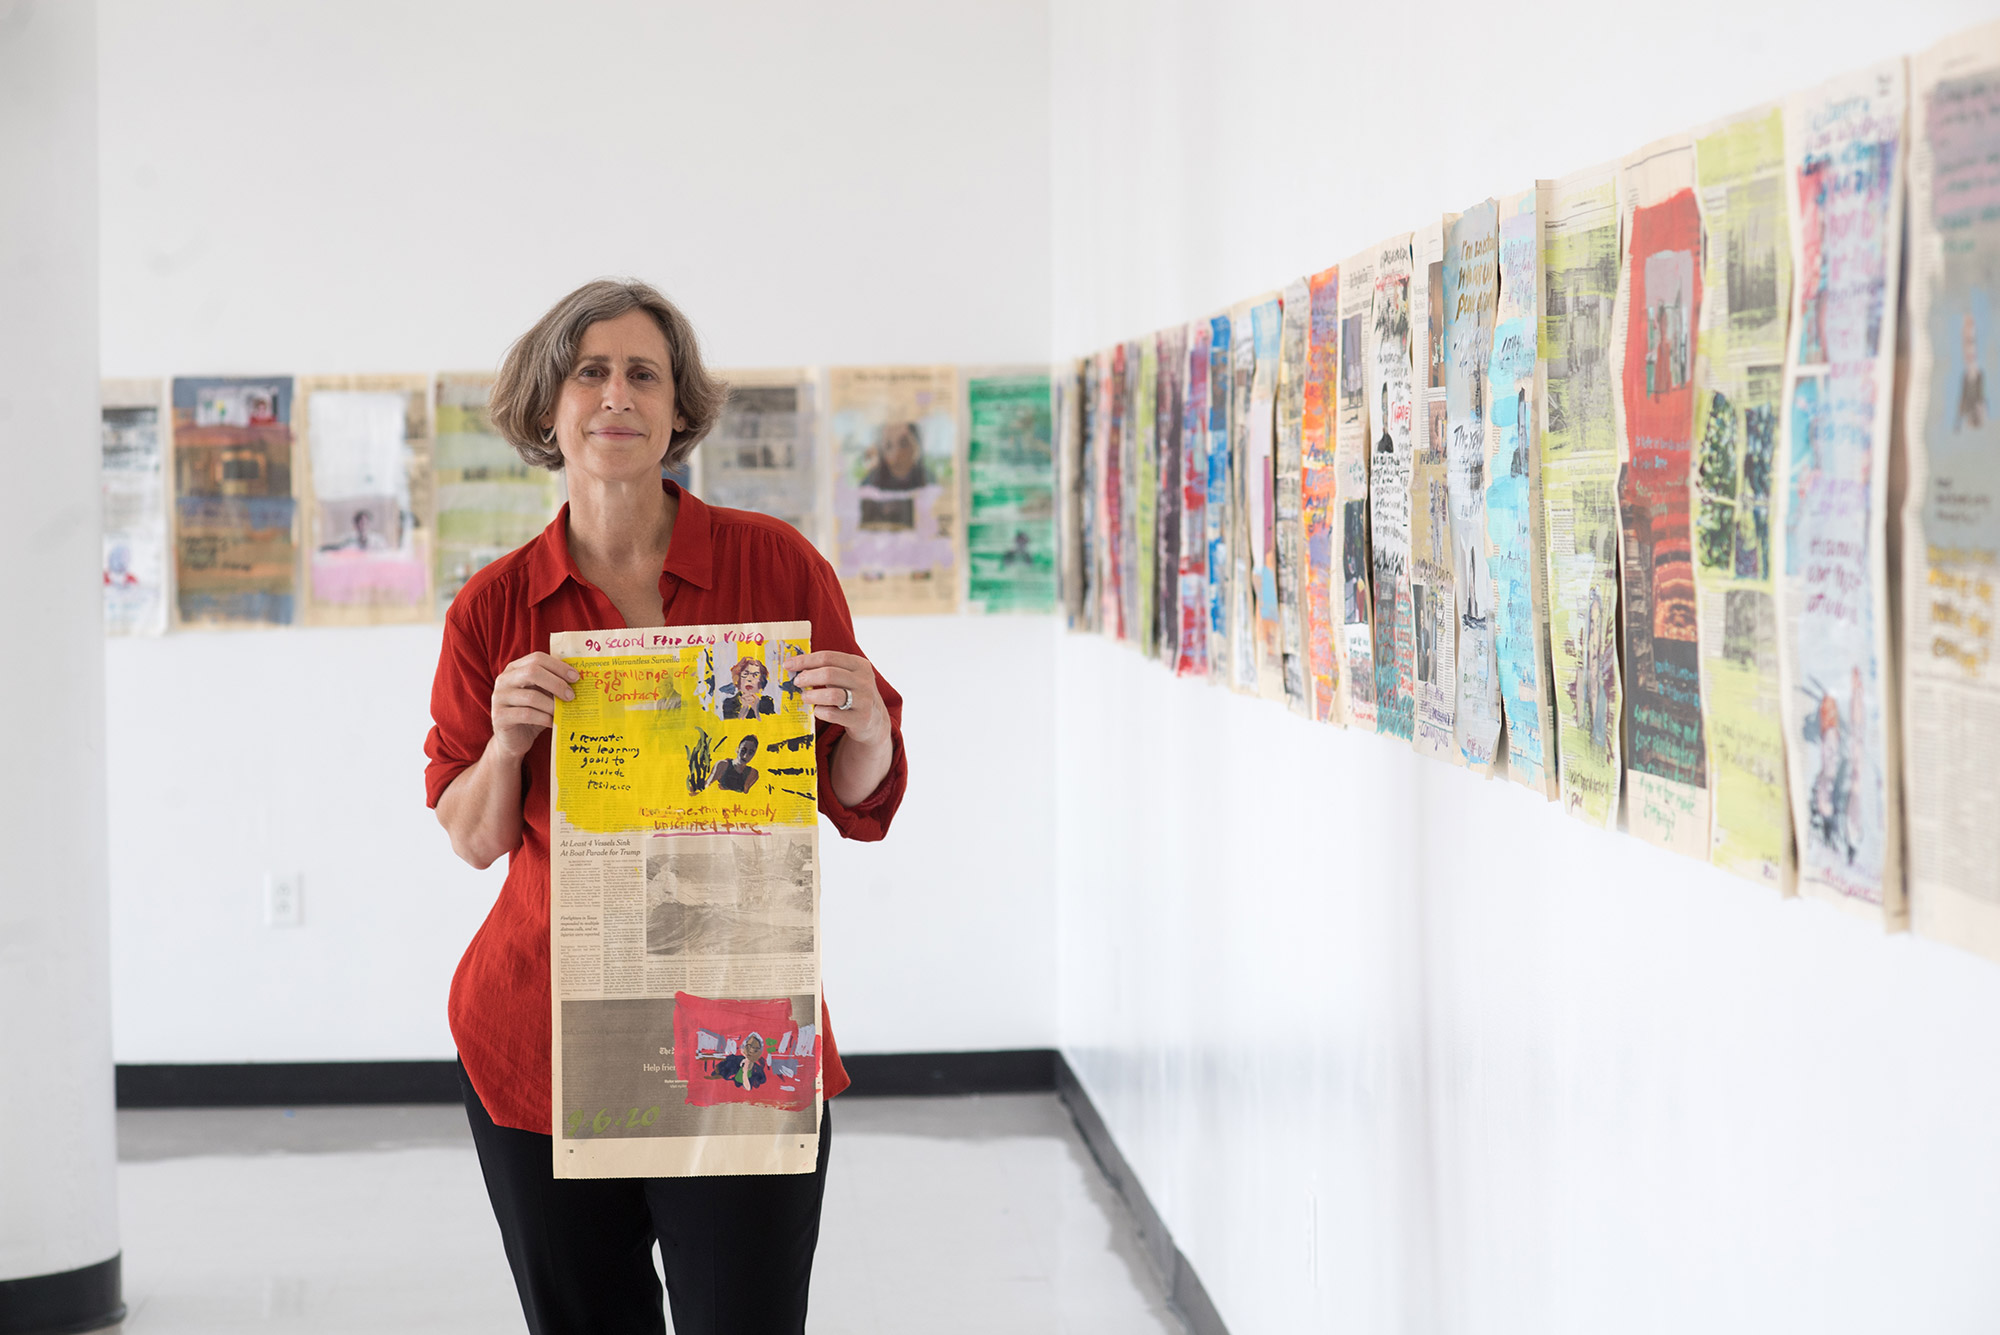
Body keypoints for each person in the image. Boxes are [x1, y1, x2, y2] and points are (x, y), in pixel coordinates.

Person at [425, 279, 907, 1335]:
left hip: (737, 1019)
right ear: (546, 406)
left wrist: (867, 724)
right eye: (588, 371)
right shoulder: (495, 605)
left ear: (679, 406)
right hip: (542, 1032)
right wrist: (506, 744)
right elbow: (471, 836)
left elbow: (856, 798)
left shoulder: (774, 564)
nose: (615, 394)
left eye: (643, 372)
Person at [861, 420, 929, 490]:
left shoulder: (929, 481)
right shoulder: (868, 485)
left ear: (916, 448)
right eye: (888, 446)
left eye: (903, 443)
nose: (896, 454)